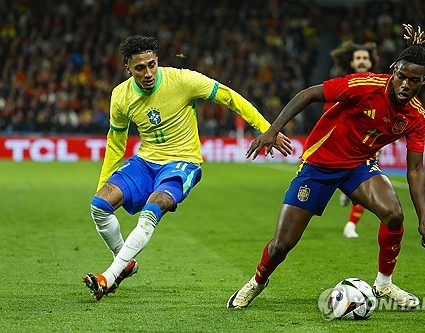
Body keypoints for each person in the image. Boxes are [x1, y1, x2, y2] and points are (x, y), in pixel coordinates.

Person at [227, 24, 425, 310]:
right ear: (393, 70)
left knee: (394, 215)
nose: (405, 85)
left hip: (359, 166)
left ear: (423, 81)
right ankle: (258, 281)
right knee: (281, 245)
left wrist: (422, 220)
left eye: (414, 80)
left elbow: (415, 170)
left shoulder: (416, 117)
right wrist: (272, 130)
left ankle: (384, 284)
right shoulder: (364, 86)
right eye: (401, 77)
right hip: (320, 165)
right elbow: (307, 95)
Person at [83, 35, 293, 300]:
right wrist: (105, 180)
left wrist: (267, 128)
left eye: (152, 64)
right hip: (146, 162)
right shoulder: (121, 96)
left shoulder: (183, 80)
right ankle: (125, 263)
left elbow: (229, 97)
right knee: (98, 206)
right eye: (140, 68)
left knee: (152, 208)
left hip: (182, 162)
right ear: (128, 68)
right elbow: (116, 141)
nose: (148, 73)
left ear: (157, 61)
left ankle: (108, 277)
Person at [328, 40, 379, 238]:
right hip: (343, 142)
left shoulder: (379, 84)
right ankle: (345, 189)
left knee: (367, 182)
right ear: (351, 63)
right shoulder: (345, 83)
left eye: (365, 58)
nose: (361, 61)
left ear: (371, 62)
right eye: (358, 58)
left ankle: (351, 225)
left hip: (368, 142)